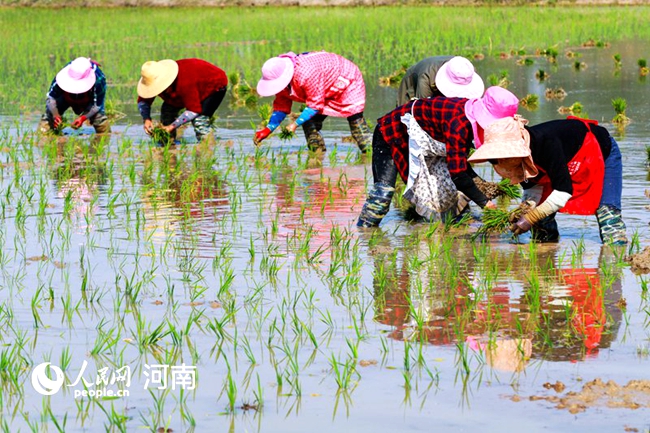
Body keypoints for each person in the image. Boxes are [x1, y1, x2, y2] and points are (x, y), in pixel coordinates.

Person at [356, 86, 520, 227]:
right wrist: (486, 204)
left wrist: (492, 183)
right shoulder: (459, 124)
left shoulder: (472, 120)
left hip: (426, 143)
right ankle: (366, 234)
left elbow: (465, 161)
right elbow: (458, 173)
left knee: (448, 195)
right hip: (392, 134)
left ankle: (447, 224)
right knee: (382, 196)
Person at [468, 115, 627, 244]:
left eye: (499, 158)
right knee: (540, 225)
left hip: (600, 154)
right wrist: (524, 209)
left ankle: (615, 267)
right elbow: (533, 188)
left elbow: (564, 191)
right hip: (566, 162)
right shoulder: (519, 161)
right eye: (494, 160)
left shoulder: (547, 144)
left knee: (609, 218)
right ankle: (546, 255)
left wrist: (530, 217)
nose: (499, 164)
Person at [254, 51, 371, 153]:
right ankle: (317, 156)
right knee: (310, 123)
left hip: (346, 78)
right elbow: (281, 107)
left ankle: (370, 153)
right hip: (323, 86)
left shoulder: (306, 74)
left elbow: (314, 105)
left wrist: (294, 125)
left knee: (355, 120)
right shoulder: (283, 85)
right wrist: (268, 129)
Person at [137, 59, 228, 143]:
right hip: (183, 89)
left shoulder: (185, 82)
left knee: (200, 121)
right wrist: (146, 119)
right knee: (167, 111)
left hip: (213, 86)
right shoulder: (152, 80)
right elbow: (143, 101)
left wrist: (171, 126)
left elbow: (194, 110)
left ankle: (207, 147)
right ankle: (168, 144)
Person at [40, 57, 110, 135]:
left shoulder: (98, 79)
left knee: (99, 118)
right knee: (49, 115)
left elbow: (97, 106)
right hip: (65, 97)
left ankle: (105, 138)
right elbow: (51, 98)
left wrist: (83, 118)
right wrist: (56, 115)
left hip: (88, 99)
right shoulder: (61, 76)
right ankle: (44, 136)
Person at [396, 56, 484, 106]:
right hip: (414, 80)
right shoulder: (426, 77)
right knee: (403, 117)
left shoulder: (467, 71)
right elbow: (422, 109)